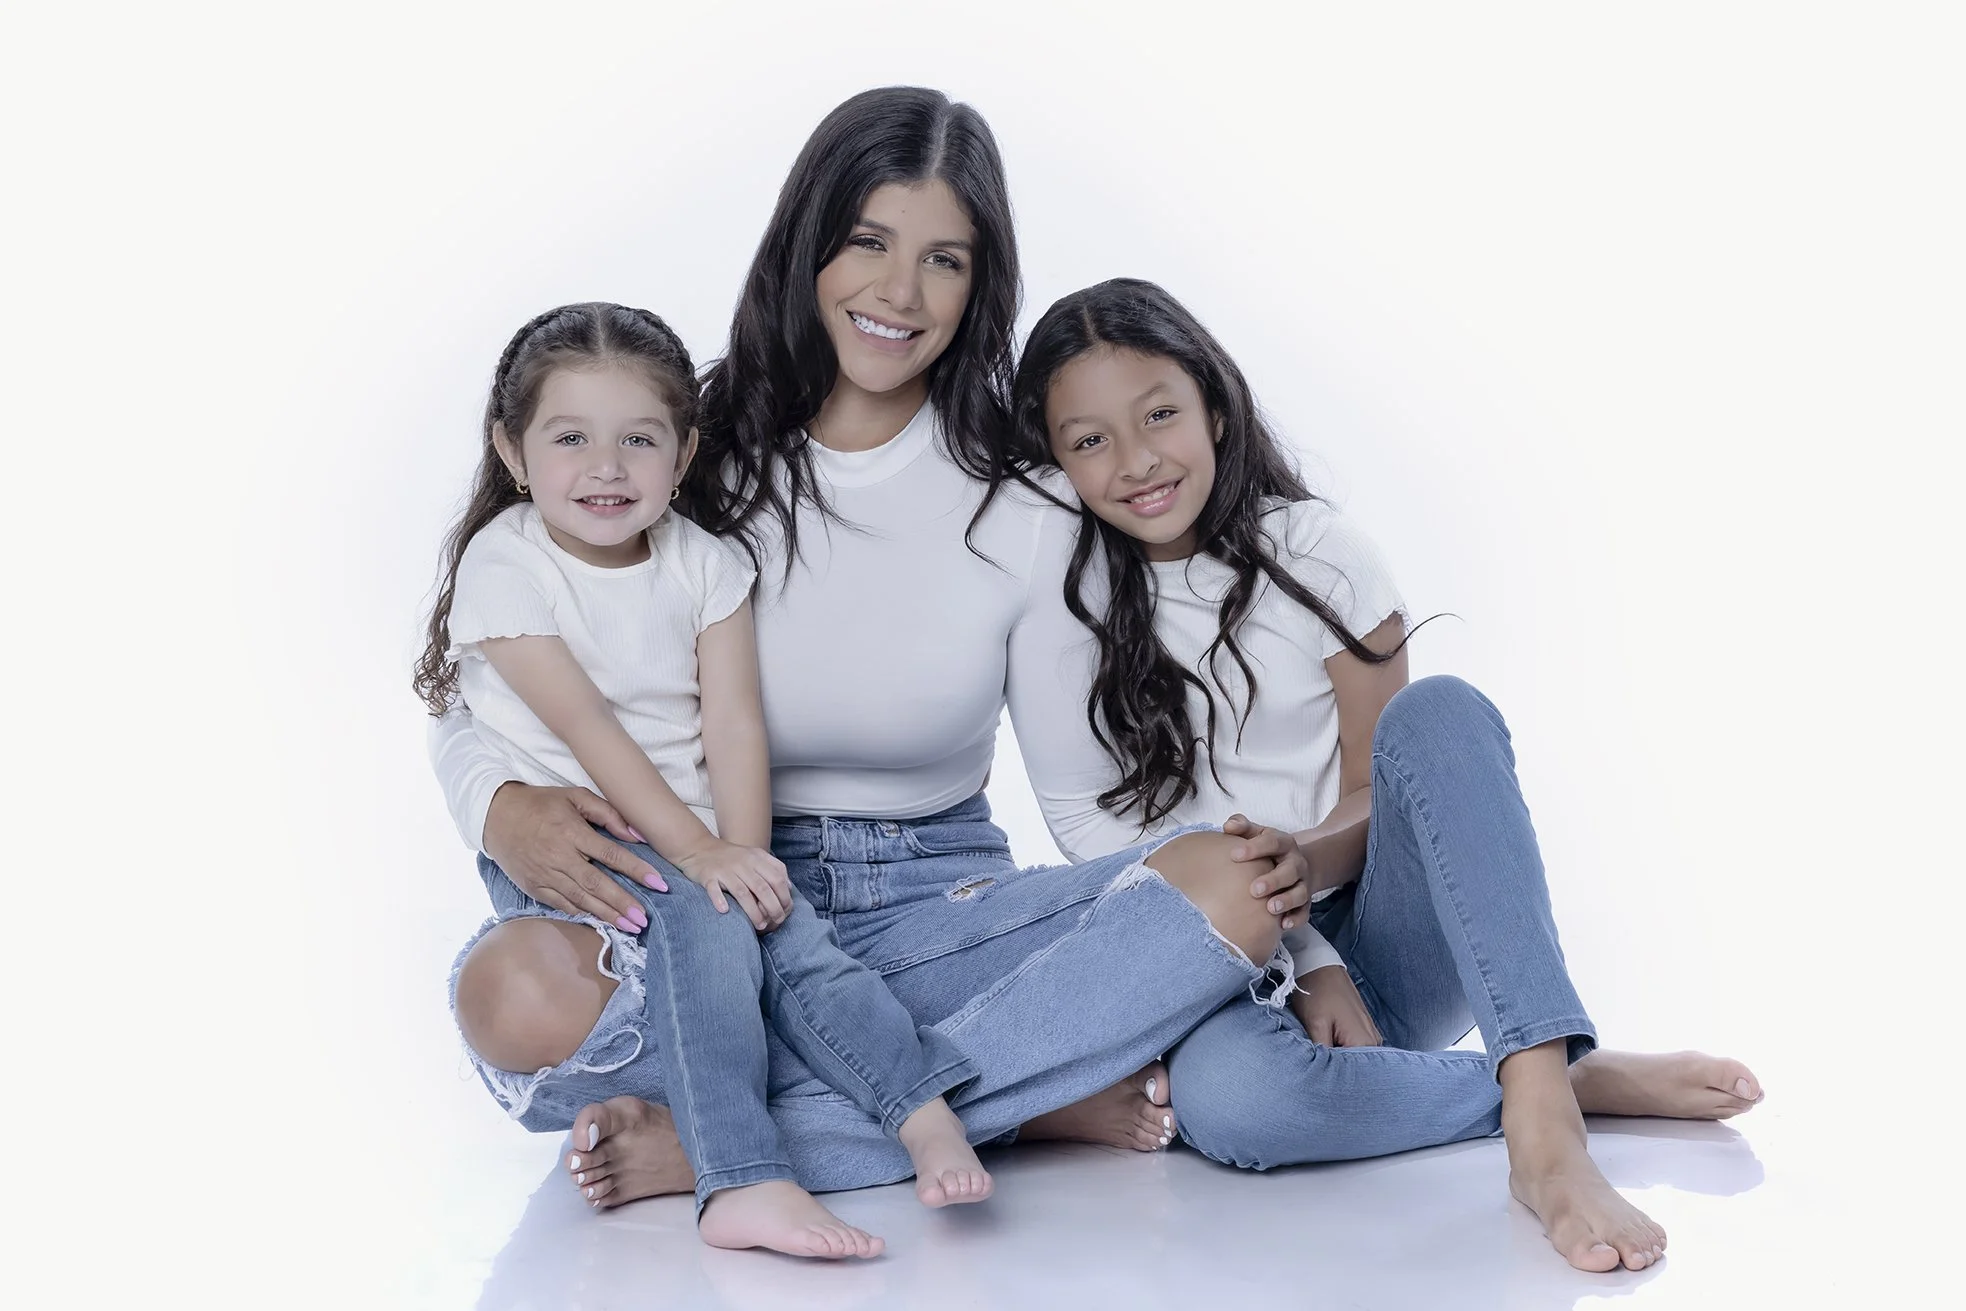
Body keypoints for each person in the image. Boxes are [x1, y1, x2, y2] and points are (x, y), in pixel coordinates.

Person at [430, 88, 1313, 1221]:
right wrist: (497, 806)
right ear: (809, 246)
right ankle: (1017, 1090)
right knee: (513, 994)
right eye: (868, 243)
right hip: (699, 891)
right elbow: (491, 672)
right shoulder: (679, 452)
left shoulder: (1027, 502)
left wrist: (1267, 927)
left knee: (1230, 884)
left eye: (944, 260)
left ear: (979, 286)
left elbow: (1082, 807)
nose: (900, 292)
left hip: (933, 904)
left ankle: (726, 1139)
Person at [1008, 276, 1766, 1274]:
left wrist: (1307, 873)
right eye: (1089, 439)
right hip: (1217, 975)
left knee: (1439, 712)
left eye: (1159, 415)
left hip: (1389, 939)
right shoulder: (1056, 622)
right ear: (1052, 462)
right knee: (1236, 1107)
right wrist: (1302, 952)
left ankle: (1545, 1130)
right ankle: (1546, 1076)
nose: (1138, 459)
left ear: (1215, 408)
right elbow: (1095, 841)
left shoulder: (1318, 554)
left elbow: (1383, 787)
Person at [416, 301, 995, 1259]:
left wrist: (748, 857)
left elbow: (732, 723)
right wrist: (698, 855)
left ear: (683, 453)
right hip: (592, 846)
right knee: (717, 930)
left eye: (638, 439)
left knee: (804, 953)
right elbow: (586, 727)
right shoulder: (506, 563)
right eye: (571, 438)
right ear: (512, 450)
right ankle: (741, 1177)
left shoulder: (707, 565)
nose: (607, 467)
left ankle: (922, 1111)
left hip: (696, 840)